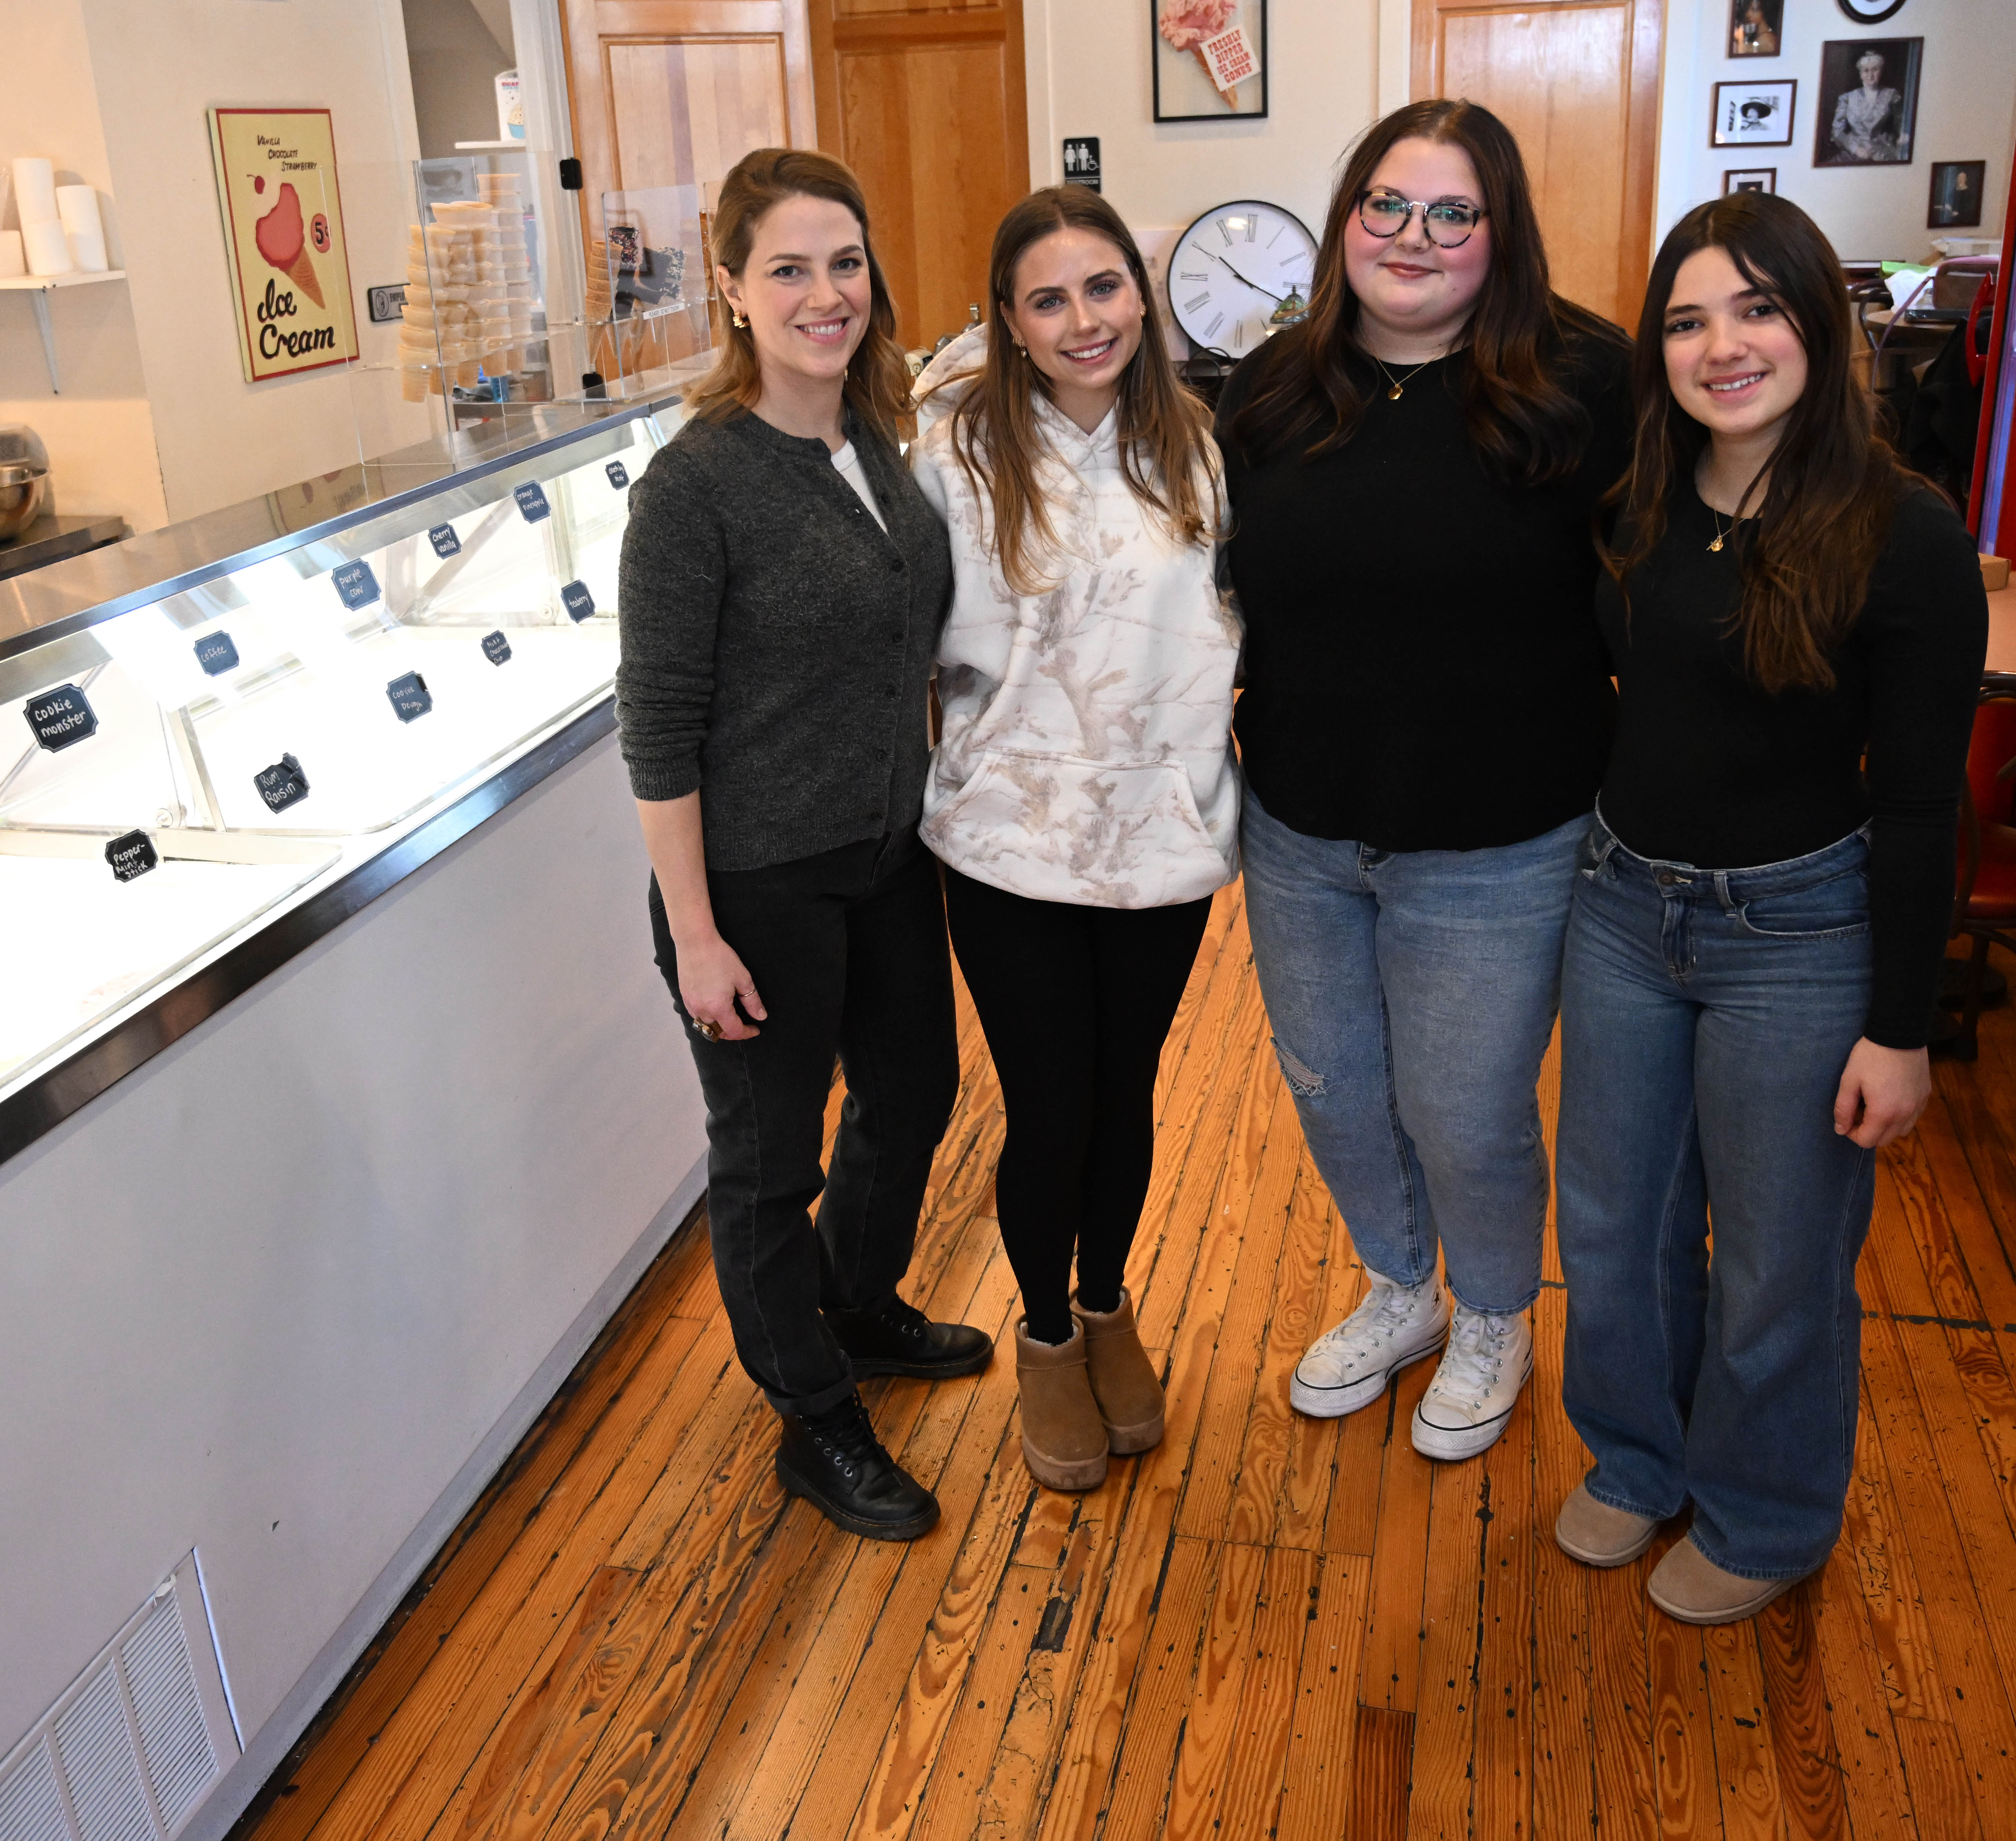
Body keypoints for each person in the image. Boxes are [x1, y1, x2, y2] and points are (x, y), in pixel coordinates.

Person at [1550, 191, 1984, 1623]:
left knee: (1778, 1255)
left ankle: (1769, 1510)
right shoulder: (1638, 496)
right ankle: (1637, 1454)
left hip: (1797, 935)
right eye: (1684, 318)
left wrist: (1899, 1029)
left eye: (1754, 307)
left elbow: (1923, 801)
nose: (1719, 343)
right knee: (1615, 1225)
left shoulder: (1903, 532)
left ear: (1818, 320)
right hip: (1621, 904)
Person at [1215, 99, 1633, 1461]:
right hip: (1298, 825)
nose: (1415, 236)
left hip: (1498, 837)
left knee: (1462, 1106)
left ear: (1498, 236)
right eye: (1388, 205)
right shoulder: (1271, 389)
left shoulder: (1586, 381)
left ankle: (1497, 1311)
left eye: (1454, 213)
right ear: (1347, 218)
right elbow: (1204, 597)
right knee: (1332, 1083)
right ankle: (1403, 1286)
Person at [614, 147, 985, 1545]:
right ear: (730, 290)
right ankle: (811, 1412)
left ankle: (854, 1302)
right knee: (771, 1157)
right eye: (788, 268)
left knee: (914, 1094)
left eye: (845, 262)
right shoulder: (697, 486)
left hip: (886, 853)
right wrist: (694, 933)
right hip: (754, 881)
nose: (827, 293)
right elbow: (657, 722)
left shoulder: (877, 444)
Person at [908, 185, 1239, 1492]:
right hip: (1009, 843)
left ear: (1139, 296)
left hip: (1161, 834)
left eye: (1101, 287)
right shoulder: (954, 456)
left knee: (1125, 1093)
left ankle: (1107, 1309)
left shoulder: (1198, 449)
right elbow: (901, 644)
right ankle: (1044, 1339)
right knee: (1049, 1104)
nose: (1081, 318)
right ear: (1006, 320)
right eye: (1046, 297)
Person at [1829, 50, 1909, 163]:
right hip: (1855, 152)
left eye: (1875, 70)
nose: (1871, 75)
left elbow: (1902, 123)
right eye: (1866, 71)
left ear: (1880, 72)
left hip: (1882, 150)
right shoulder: (1848, 98)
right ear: (1861, 74)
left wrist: (1903, 136)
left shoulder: (1891, 95)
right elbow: (1837, 132)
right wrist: (1856, 149)